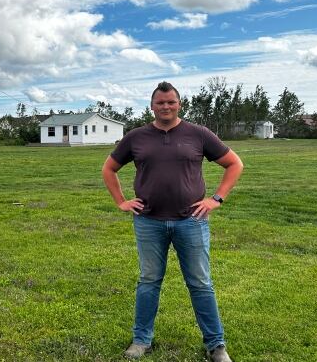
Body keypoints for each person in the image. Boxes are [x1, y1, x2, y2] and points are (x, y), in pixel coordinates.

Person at [101, 81, 243, 362]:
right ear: (151, 106)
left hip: (191, 221)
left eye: (171, 102)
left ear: (179, 104)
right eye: (160, 102)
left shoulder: (198, 134)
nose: (165, 107)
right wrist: (121, 201)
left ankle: (216, 346)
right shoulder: (136, 137)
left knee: (201, 283)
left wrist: (216, 199)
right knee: (149, 281)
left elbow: (234, 163)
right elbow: (109, 168)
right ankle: (141, 341)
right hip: (148, 222)